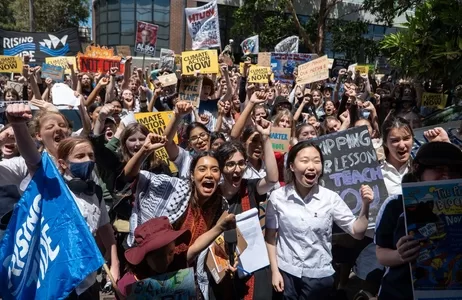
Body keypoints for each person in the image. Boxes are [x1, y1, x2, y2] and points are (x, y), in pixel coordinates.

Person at [6, 103, 120, 298]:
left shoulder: (89, 178)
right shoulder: (43, 173)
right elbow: (32, 158)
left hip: (86, 279)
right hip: (52, 280)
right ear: (38, 136)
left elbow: (104, 225)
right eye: (50, 127)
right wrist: (18, 125)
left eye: (62, 125)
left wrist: (114, 263)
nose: (58, 129)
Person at [265, 141, 374, 299]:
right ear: (292, 166)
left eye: (317, 161)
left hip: (319, 277)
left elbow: (357, 232)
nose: (311, 166)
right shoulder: (277, 197)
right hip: (286, 273)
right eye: (304, 161)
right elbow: (270, 238)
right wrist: (275, 272)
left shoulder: (330, 198)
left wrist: (365, 205)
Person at [375, 141, 462, 300]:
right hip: (400, 293)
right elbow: (380, 252)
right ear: (418, 169)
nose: (447, 176)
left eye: (455, 171)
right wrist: (399, 255)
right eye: (439, 169)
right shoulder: (395, 205)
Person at [118, 213, 236, 297]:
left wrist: (221, 227)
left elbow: (196, 247)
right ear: (145, 257)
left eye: (170, 253)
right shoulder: (129, 284)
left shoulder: (176, 265)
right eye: (158, 257)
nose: (166, 260)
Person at [380, 117, 413, 195]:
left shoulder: (422, 168)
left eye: (406, 139)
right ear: (385, 142)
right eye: (395, 140)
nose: (402, 145)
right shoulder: (376, 173)